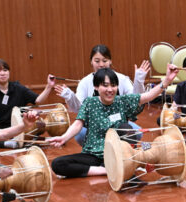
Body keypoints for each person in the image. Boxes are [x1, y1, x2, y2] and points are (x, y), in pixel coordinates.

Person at [47, 65, 177, 178]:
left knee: (126, 127)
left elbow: (148, 96)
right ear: (96, 87)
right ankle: (106, 170)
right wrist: (63, 138)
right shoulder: (89, 103)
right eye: (105, 85)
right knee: (58, 164)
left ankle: (119, 165)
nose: (110, 89)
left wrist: (166, 81)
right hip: (93, 155)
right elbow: (78, 124)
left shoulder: (122, 101)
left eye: (113, 85)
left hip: (117, 154)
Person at [54, 44, 150, 145]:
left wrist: (139, 81)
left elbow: (136, 100)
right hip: (93, 126)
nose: (101, 64)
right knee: (80, 134)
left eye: (105, 61)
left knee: (137, 133)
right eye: (97, 61)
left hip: (118, 123)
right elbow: (79, 110)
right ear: (91, 61)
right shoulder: (85, 82)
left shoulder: (122, 79)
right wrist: (71, 97)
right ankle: (98, 152)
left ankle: (119, 151)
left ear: (110, 61)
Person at [0, 59, 54, 148]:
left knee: (33, 129)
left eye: (5, 70)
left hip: (19, 127)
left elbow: (38, 100)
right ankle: (9, 143)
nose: (2, 73)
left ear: (9, 72)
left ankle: (21, 140)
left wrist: (49, 87)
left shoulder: (19, 88)